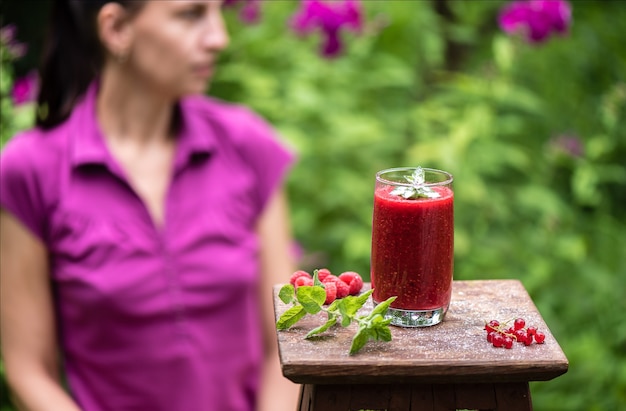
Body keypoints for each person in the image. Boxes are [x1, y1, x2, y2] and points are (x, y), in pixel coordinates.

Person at [0, 1, 300, 410]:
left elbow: (286, 342)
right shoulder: (30, 171)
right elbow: (28, 369)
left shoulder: (247, 146)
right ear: (117, 28)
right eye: (191, 15)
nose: (219, 38)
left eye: (217, 13)